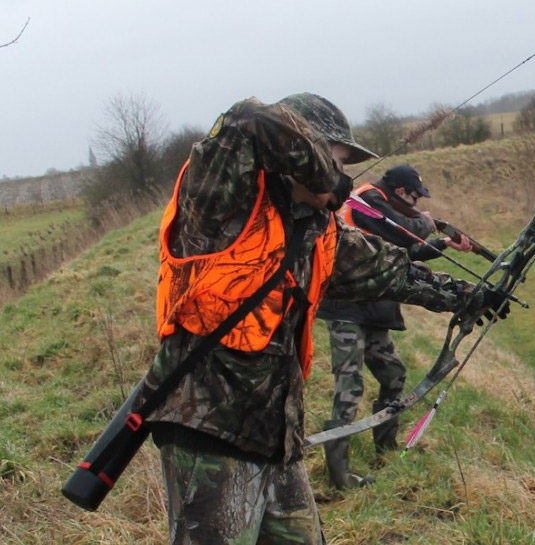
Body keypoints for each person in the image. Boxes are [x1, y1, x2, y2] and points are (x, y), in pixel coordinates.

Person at [137, 93, 501, 544]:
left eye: (343, 166)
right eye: (335, 160)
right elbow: (247, 119)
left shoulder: (315, 229)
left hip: (275, 438)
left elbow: (391, 270)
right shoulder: (219, 202)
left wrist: (470, 296)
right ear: (300, 153)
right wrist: (324, 174)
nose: (342, 177)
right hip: (208, 433)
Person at [315, 164, 474, 490]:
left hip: (374, 306)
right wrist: (425, 222)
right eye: (415, 197)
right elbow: (402, 230)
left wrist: (443, 243)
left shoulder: (382, 203)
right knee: (349, 390)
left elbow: (404, 253)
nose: (416, 202)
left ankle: (384, 448)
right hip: (346, 307)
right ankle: (338, 477)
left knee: (394, 375)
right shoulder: (367, 198)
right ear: (401, 192)